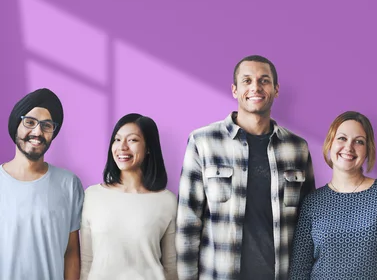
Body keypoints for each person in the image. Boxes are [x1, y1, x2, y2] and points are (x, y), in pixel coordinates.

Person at [176, 55, 315, 280]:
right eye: (247, 81)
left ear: (276, 89)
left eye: (264, 80)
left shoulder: (297, 148)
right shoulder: (203, 142)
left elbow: (307, 224)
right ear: (234, 90)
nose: (255, 87)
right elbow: (188, 221)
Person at [289, 111, 377, 280]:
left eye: (359, 142)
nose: (349, 147)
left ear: (367, 150)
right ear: (330, 143)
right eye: (342, 138)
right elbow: (299, 270)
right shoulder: (313, 202)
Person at [80, 113, 177, 280]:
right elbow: (87, 263)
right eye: (117, 140)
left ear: (148, 148)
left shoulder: (166, 201)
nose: (122, 147)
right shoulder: (92, 196)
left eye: (132, 140)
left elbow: (171, 267)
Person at [0, 87, 84, 280]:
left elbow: (71, 252)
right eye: (30, 122)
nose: (37, 132)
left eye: (46, 125)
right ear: (16, 126)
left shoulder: (69, 184)